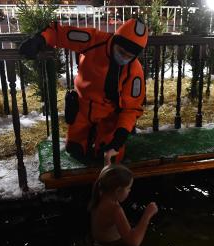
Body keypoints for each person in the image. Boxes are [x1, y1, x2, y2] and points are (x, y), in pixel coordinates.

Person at [19, 18, 148, 165]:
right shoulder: (93, 40)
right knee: (74, 150)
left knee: (110, 157)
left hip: (109, 115)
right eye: (121, 51)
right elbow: (59, 33)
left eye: (129, 56)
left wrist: (118, 140)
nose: (123, 58)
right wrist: (40, 39)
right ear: (115, 40)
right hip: (82, 107)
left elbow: (131, 109)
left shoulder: (134, 70)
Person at [88, 164, 158, 246]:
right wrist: (147, 214)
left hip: (97, 241)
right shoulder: (115, 209)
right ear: (118, 190)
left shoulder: (100, 190)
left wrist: (107, 158)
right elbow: (134, 242)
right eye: (128, 188)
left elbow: (106, 172)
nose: (130, 190)